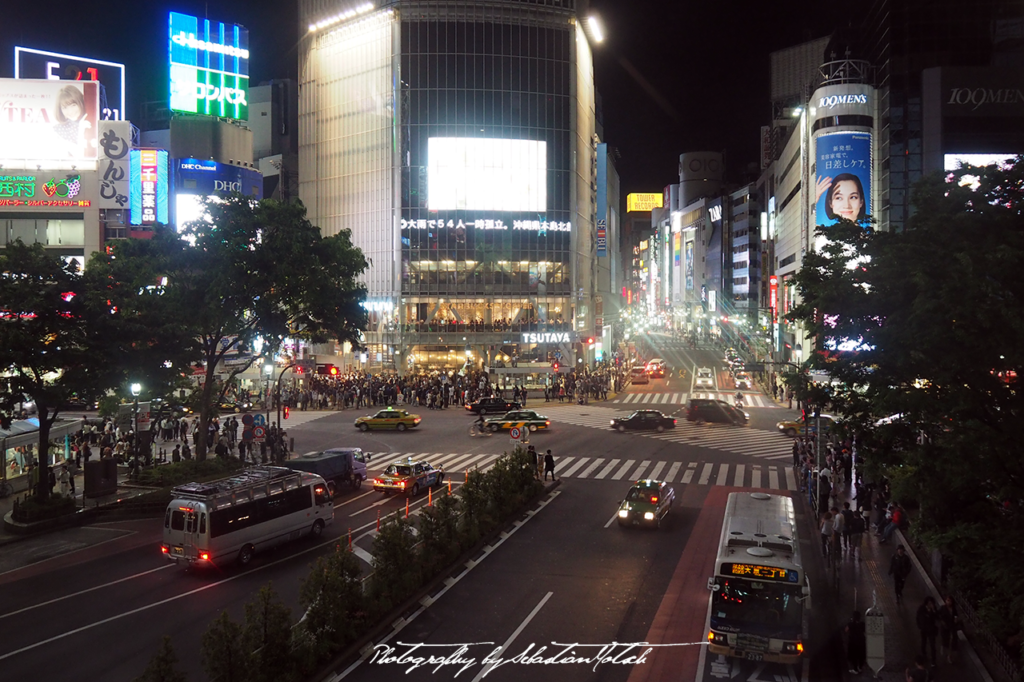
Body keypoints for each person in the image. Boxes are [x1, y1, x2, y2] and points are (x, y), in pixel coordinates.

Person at [916, 596, 939, 665]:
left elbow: (937, 617)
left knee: (932, 645)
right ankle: (924, 653)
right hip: (924, 629)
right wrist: (920, 626)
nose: (930, 605)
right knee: (924, 642)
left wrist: (934, 611)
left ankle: (933, 660)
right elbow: (918, 618)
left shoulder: (934, 610)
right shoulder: (922, 609)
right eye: (929, 603)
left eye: (931, 603)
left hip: (931, 630)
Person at [938, 595, 960, 663]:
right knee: (945, 639)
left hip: (952, 626)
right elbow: (939, 615)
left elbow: (955, 615)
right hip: (945, 627)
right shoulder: (943, 608)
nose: (948, 602)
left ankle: (949, 656)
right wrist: (942, 622)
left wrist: (956, 618)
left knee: (952, 641)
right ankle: (943, 647)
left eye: (950, 601)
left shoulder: (953, 608)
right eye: (947, 600)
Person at [845, 610, 867, 674]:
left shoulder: (851, 624)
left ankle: (855, 669)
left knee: (854, 655)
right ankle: (860, 667)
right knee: (861, 655)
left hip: (853, 642)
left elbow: (846, 630)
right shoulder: (862, 624)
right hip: (861, 641)